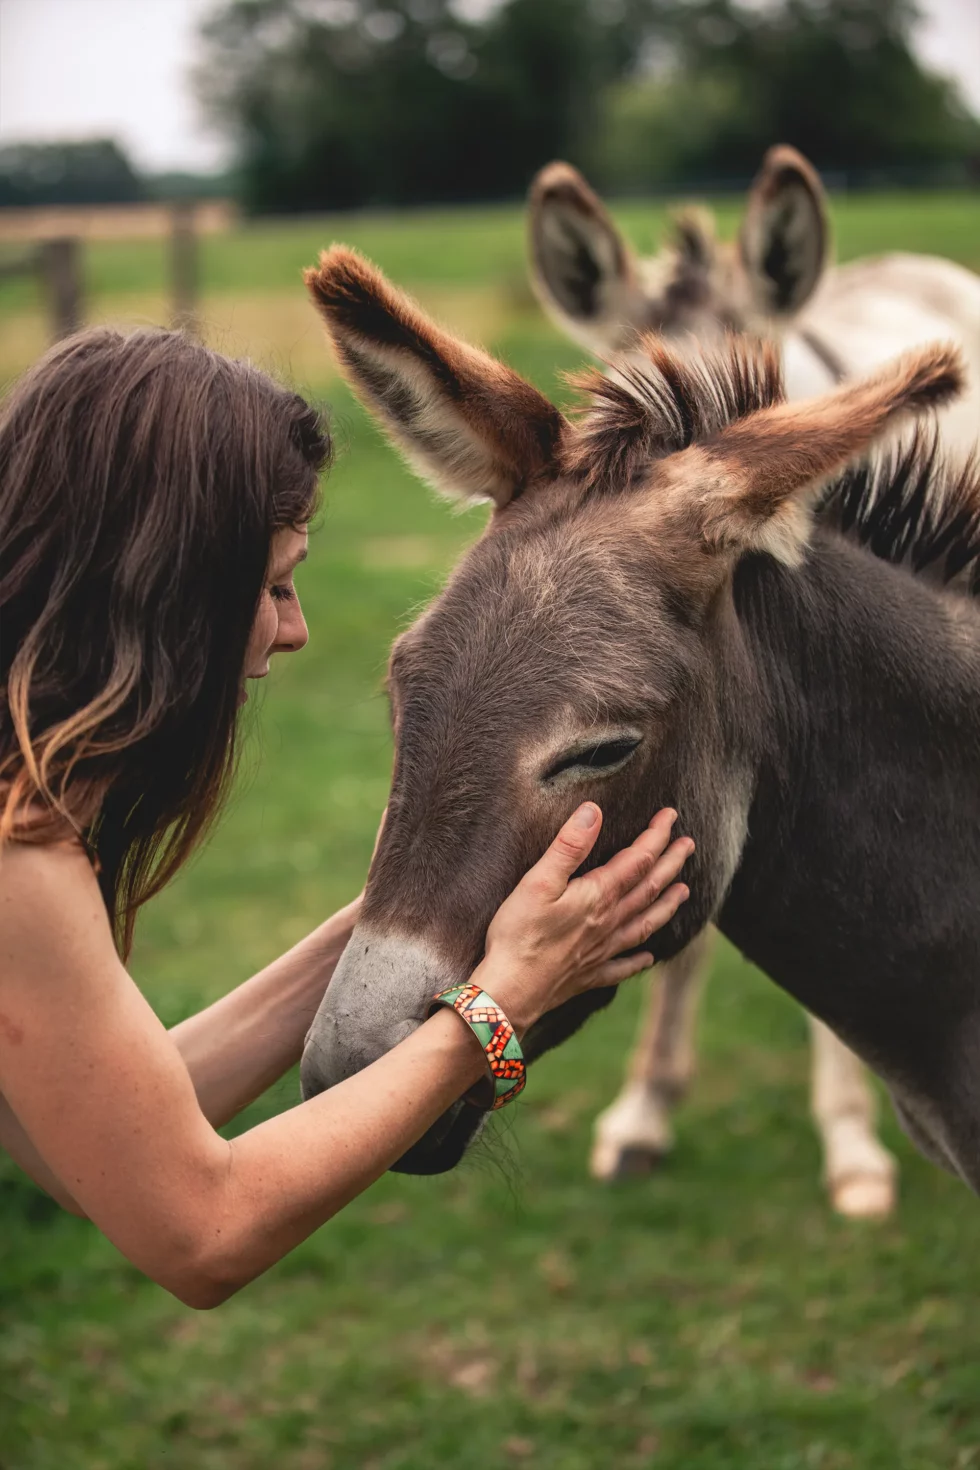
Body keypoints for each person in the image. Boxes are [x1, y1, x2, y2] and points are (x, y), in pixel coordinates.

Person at [0, 327, 693, 1310]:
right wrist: (496, 1006)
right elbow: (202, 1228)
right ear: (167, 589)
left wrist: (380, 914)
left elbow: (96, 1151)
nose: (294, 629)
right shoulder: (16, 862)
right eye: (273, 584)